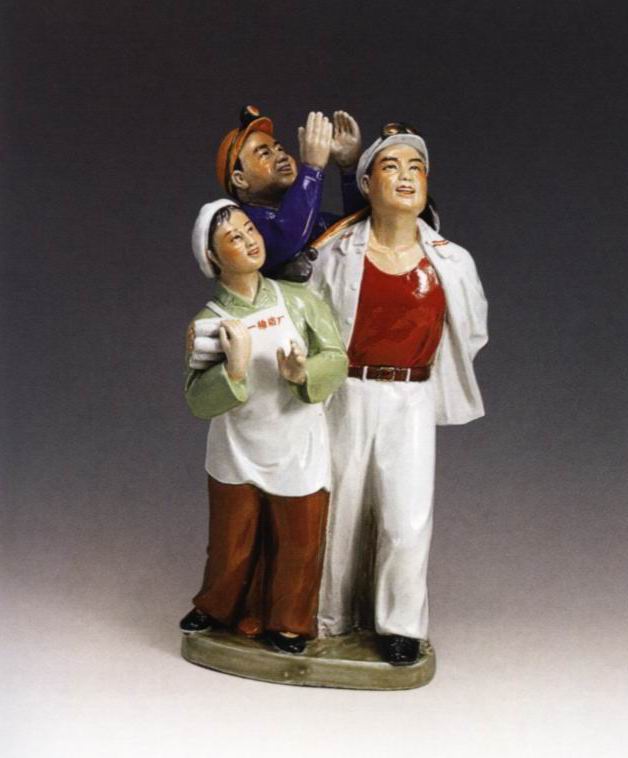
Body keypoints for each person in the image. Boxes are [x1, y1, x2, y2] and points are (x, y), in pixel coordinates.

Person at [311, 123, 488, 665]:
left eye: (416, 168)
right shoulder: (335, 251)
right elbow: (308, 317)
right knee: (337, 507)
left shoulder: (452, 261)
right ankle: (327, 616)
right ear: (367, 184)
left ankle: (400, 626)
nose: (406, 176)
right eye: (391, 167)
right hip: (346, 391)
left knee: (407, 515)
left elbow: (472, 329)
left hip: (411, 396)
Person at [179, 200, 348, 654]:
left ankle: (289, 621)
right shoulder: (208, 323)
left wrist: (303, 372)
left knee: (299, 537)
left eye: (249, 229)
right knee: (232, 538)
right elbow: (196, 400)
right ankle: (218, 606)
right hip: (237, 445)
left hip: (297, 439)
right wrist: (232, 372)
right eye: (233, 238)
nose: (249, 240)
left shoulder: (299, 299)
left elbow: (337, 357)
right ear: (213, 257)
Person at [215, 105, 365, 280]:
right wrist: (312, 169)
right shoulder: (247, 229)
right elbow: (286, 238)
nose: (282, 156)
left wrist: (350, 169)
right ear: (240, 179)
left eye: (280, 149)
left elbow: (359, 230)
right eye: (265, 154)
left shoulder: (311, 219)